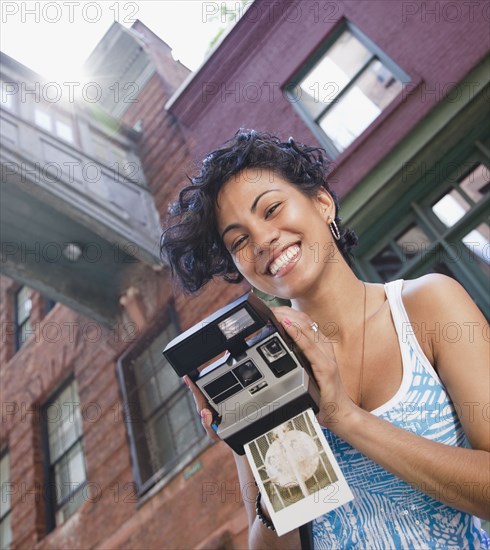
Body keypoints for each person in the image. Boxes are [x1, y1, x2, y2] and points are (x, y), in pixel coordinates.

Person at [161, 130, 490, 549]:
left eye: (272, 209)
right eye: (239, 241)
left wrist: (344, 417)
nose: (262, 241)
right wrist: (252, 443)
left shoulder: (425, 305)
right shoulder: (260, 373)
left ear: (321, 202)